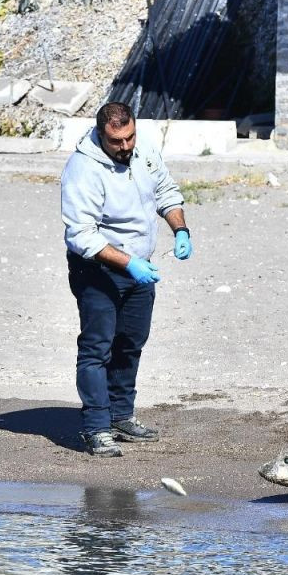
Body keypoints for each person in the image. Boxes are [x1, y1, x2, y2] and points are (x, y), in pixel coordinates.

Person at [60, 102, 192, 458]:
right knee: (96, 348)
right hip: (98, 270)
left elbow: (166, 191)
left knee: (131, 342)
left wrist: (180, 229)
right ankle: (97, 428)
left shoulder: (143, 149)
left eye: (129, 137)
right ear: (101, 135)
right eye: (117, 141)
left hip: (139, 268)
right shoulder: (82, 169)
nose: (125, 147)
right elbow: (82, 235)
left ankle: (121, 416)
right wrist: (128, 262)